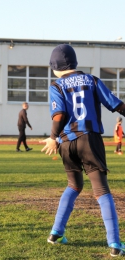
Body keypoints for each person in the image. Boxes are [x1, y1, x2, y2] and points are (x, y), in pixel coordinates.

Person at [41, 44, 125, 257]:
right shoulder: (92, 80)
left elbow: (58, 114)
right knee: (102, 191)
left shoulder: (56, 84)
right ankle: (115, 244)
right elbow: (116, 105)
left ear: (55, 66)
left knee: (73, 185)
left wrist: (53, 138)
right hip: (89, 139)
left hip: (67, 142)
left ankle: (56, 232)